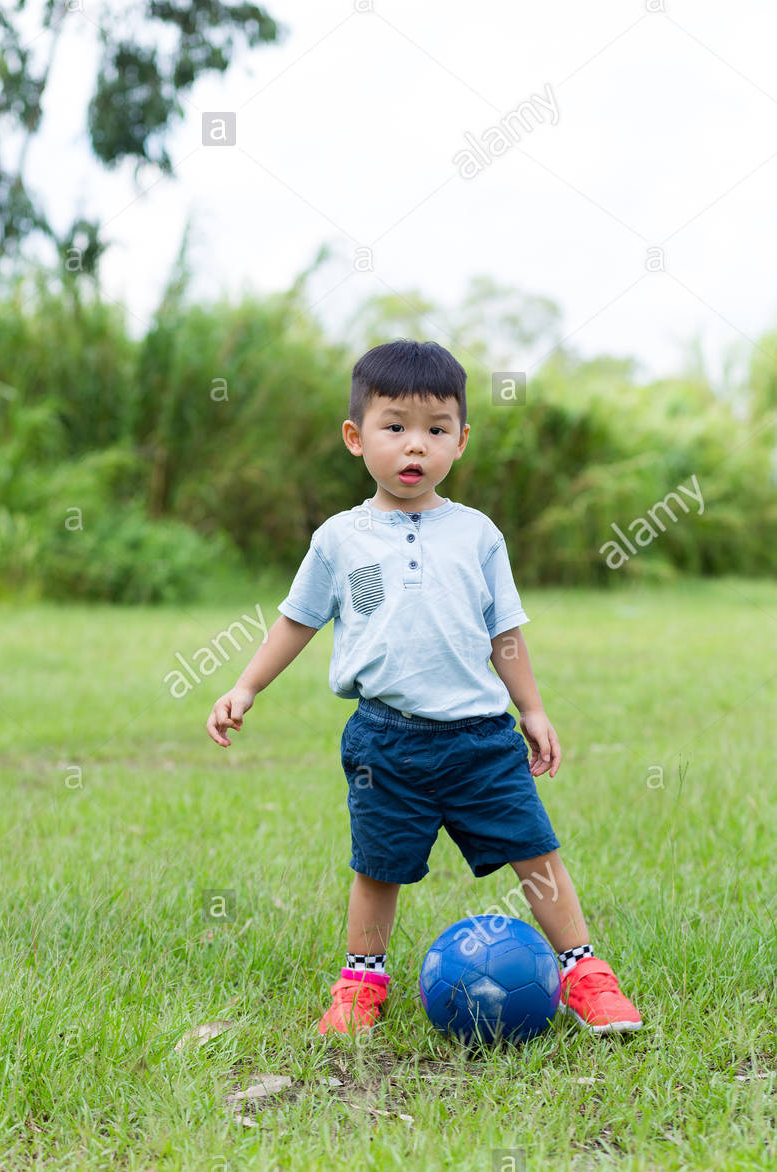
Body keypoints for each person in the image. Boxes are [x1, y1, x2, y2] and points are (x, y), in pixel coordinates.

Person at [206, 339, 642, 1037]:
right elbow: (297, 621)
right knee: (378, 866)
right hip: (385, 738)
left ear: (461, 440)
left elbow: (504, 630)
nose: (416, 446)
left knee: (536, 853)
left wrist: (530, 707)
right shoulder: (339, 539)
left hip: (481, 738)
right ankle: (361, 985)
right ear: (356, 437)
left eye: (436, 430)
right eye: (395, 427)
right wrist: (246, 686)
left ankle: (585, 973)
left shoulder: (476, 534)